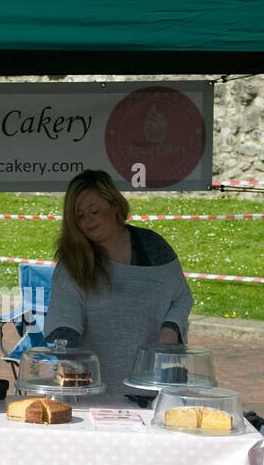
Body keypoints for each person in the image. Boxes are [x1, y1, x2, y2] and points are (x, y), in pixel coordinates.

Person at [43, 169, 193, 400]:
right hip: (94, 390)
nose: (87, 221)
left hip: (154, 386)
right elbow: (64, 319)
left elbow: (181, 296)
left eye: (94, 211)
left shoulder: (152, 248)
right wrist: (71, 360)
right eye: (79, 216)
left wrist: (170, 329)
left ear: (114, 204)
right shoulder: (73, 262)